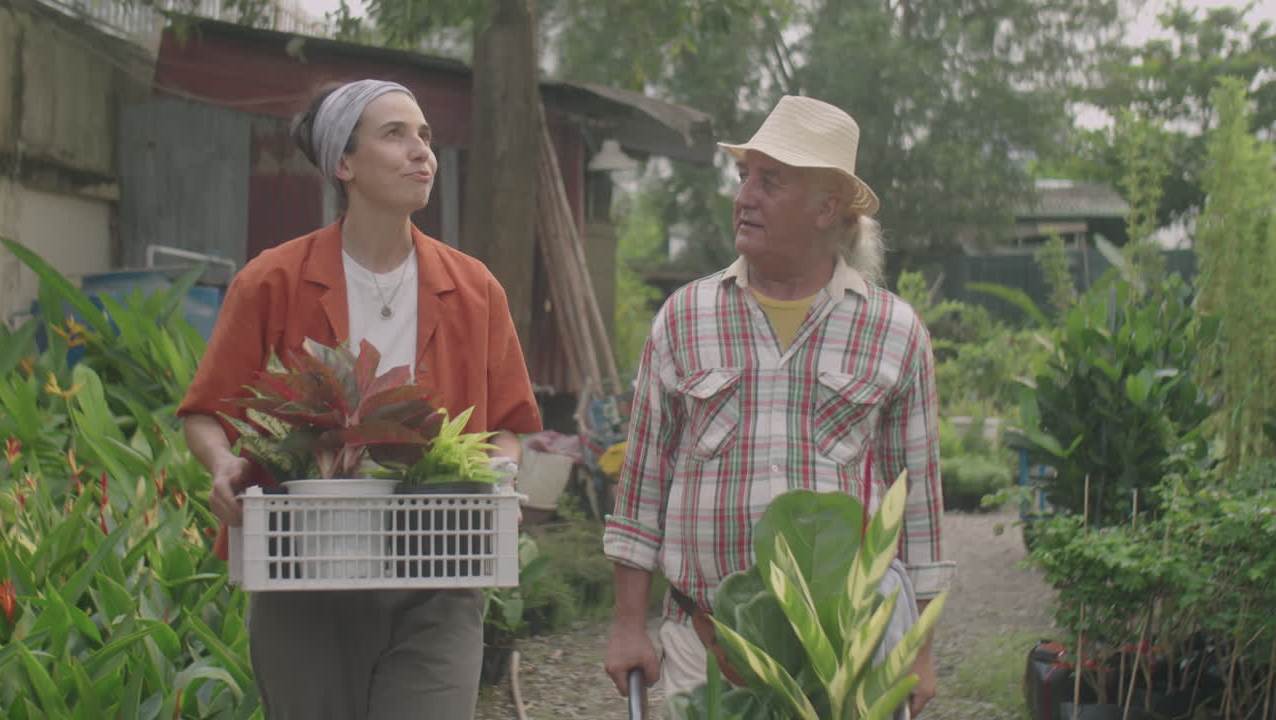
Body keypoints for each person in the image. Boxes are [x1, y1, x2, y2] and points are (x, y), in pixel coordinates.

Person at [178, 79, 542, 720]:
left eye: (425, 135)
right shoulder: (271, 280)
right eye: (395, 134)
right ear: (343, 164)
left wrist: (500, 474)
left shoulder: (474, 288)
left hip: (441, 569)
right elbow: (206, 411)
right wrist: (223, 464)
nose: (421, 151)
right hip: (303, 572)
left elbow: (509, 425)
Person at [601, 95, 955, 718]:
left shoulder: (894, 331)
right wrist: (628, 625)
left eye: (771, 181)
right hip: (704, 644)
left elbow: (918, 503)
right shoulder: (684, 318)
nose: (744, 197)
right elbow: (643, 487)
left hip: (843, 658)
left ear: (827, 207)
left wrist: (918, 650)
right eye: (744, 177)